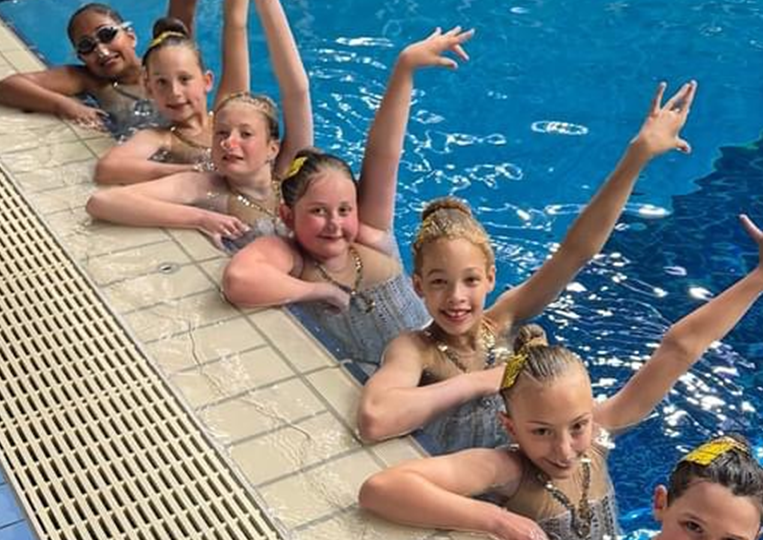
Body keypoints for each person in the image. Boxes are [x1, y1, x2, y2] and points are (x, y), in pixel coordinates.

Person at [359, 277, 763, 540]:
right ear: (660, 507)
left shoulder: (598, 442)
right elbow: (382, 488)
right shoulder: (510, 467)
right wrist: (500, 521)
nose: (565, 447)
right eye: (691, 529)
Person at [356, 81, 697, 453]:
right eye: (439, 282)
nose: (456, 297)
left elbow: (574, 253)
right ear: (418, 286)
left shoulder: (502, 320)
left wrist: (637, 156)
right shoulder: (415, 349)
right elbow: (375, 418)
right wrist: (485, 381)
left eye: (470, 280)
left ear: (490, 278)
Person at [221, 27, 475, 375]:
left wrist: (404, 70)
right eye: (317, 212)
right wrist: (319, 291)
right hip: (395, 376)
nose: (334, 224)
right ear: (288, 215)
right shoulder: (291, 254)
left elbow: (385, 154)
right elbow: (238, 281)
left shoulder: (368, 233)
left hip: (451, 345)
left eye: (344, 210)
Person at [85, 0, 312, 249]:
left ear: (272, 148)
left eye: (246, 133)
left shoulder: (276, 166)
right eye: (222, 134)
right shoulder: (200, 178)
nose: (229, 141)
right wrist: (198, 213)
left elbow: (296, 91)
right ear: (148, 88)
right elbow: (104, 192)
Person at [93, 0, 252, 185]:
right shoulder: (161, 137)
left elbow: (237, 25)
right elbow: (107, 169)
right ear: (149, 89)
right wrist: (192, 171)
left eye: (184, 79)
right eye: (162, 82)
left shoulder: (227, 115)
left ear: (207, 81)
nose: (174, 92)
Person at [0, 1, 197, 134]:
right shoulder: (90, 80)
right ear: (81, 58)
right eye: (87, 46)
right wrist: (66, 106)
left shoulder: (165, 60)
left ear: (131, 36)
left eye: (106, 35)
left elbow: (182, 8)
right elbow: (9, 86)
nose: (101, 51)